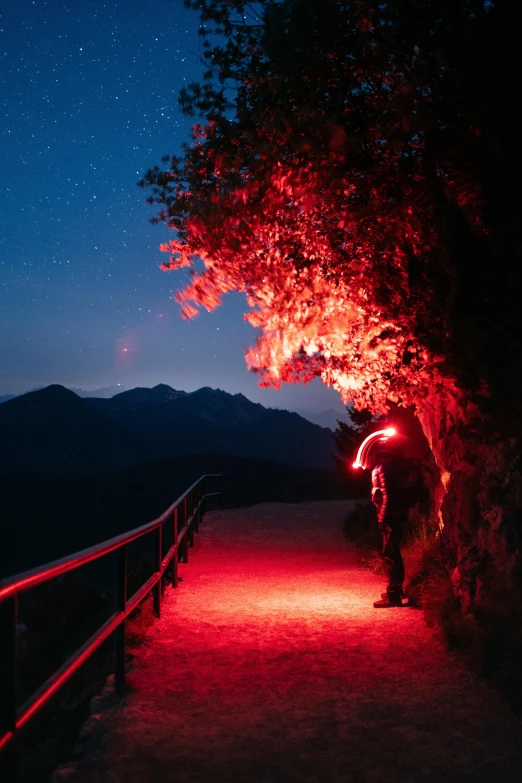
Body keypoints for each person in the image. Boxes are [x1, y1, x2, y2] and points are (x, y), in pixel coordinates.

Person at [367, 439, 409, 608]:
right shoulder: (388, 467)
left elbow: (387, 495)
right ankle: (395, 591)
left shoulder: (384, 468)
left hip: (390, 518)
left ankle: (394, 595)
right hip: (391, 516)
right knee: (391, 554)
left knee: (391, 555)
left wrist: (383, 518)